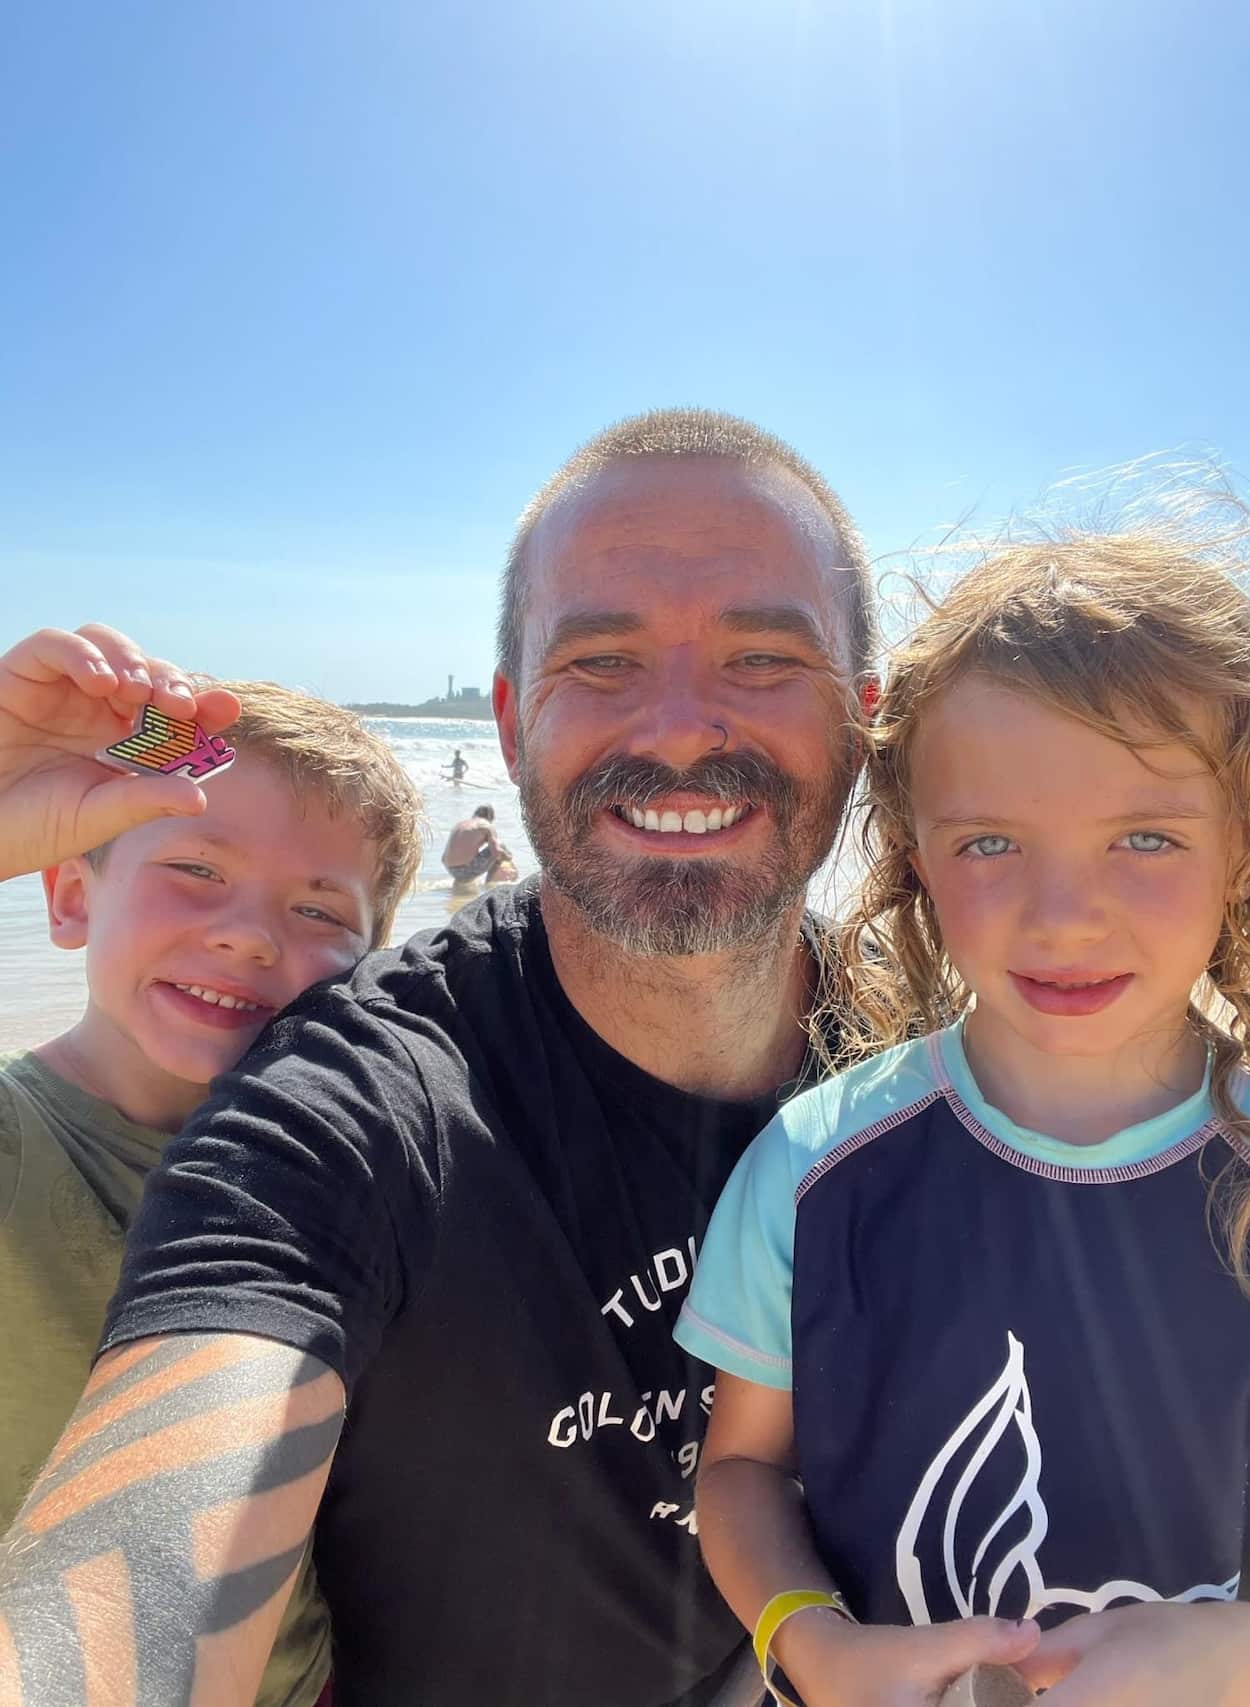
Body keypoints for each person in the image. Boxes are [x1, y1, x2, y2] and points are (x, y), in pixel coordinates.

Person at [0, 408, 875, 1707]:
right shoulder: (349, 1109)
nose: (685, 726)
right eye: (603, 658)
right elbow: (136, 1574)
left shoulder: (935, 1054)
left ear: (864, 714)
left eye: (760, 654)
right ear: (512, 717)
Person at [676, 527, 1250, 1707]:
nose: (1061, 917)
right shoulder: (813, 1165)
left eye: (1143, 838)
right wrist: (817, 1647)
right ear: (910, 857)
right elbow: (741, 1470)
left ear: (1245, 851)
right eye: (990, 842)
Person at [0, 625, 423, 1707]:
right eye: (194, 868)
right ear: (67, 896)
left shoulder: (370, 1172)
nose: (246, 936)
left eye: (319, 908)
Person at [441, 802, 513, 883]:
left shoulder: (460, 824)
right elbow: (496, 853)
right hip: (466, 869)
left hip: (449, 868)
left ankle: (460, 884)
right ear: (490, 818)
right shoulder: (486, 825)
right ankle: (489, 886)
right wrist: (508, 857)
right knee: (500, 845)